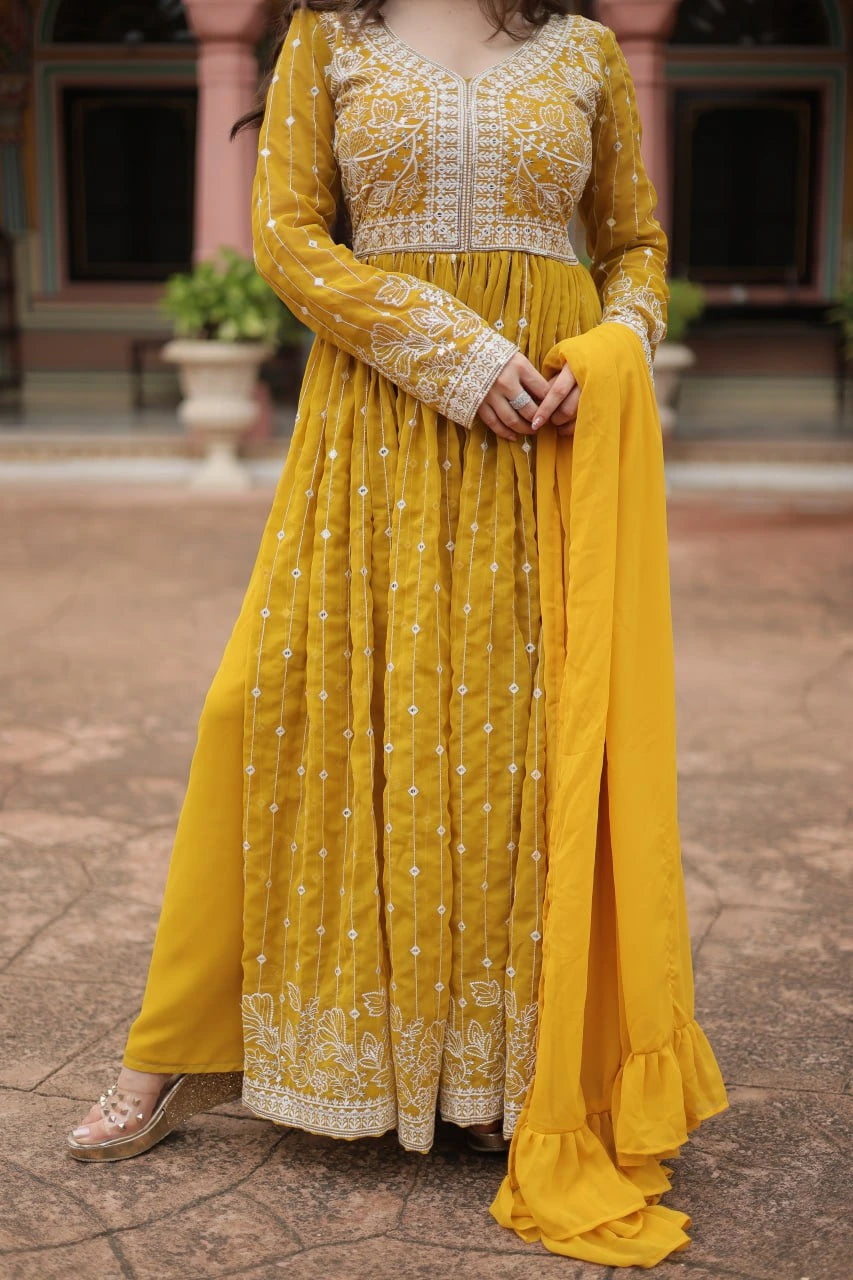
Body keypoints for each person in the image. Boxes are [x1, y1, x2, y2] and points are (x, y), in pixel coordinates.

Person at [68, 0, 697, 1217]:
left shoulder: (584, 50)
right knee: (262, 707)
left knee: (508, 746)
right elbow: (287, 237)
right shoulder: (330, 37)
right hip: (376, 429)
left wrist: (610, 346)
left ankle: (494, 1071)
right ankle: (177, 1045)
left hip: (541, 439)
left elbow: (634, 247)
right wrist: (449, 349)